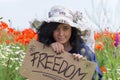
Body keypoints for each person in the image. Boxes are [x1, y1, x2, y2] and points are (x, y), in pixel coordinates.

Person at [31, 5, 102, 80]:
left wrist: (84, 65)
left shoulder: (84, 51)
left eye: (65, 28)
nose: (61, 33)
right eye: (56, 28)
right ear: (50, 30)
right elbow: (32, 72)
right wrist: (49, 46)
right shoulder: (42, 46)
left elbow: (97, 77)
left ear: (72, 29)